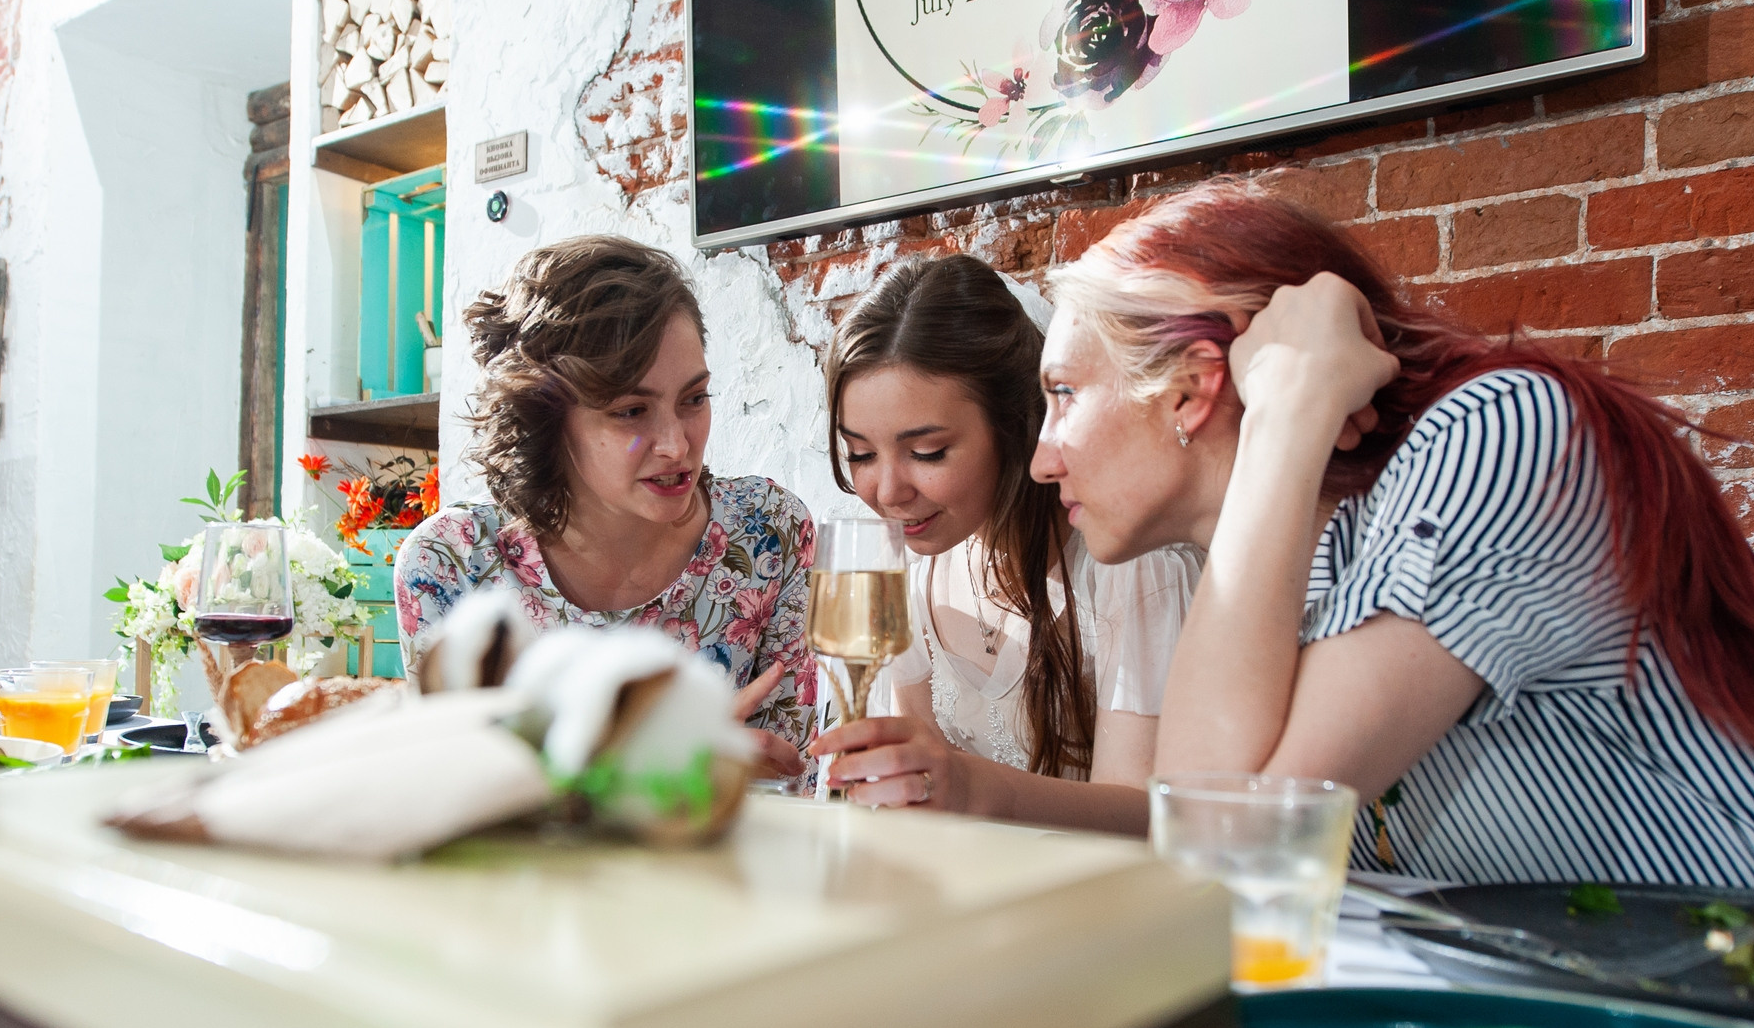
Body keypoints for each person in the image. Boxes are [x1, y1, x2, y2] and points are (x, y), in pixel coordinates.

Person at [1034, 177, 1754, 891]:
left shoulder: (1499, 436)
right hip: (1566, 1005)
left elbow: (1225, 845)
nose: (1041, 458)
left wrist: (1285, 414)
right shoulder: (1287, 565)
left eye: (1064, 392)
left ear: (1192, 388)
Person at [394, 235, 817, 782]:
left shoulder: (767, 535)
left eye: (693, 399)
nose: (675, 444)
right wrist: (653, 762)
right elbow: (451, 799)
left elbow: (786, 780)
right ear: (548, 419)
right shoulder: (451, 564)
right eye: (632, 410)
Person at [812, 254, 1201, 828]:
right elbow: (920, 809)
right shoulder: (915, 575)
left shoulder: (1135, 571)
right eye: (861, 454)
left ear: (1015, 425)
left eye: (927, 453)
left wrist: (971, 787)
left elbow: (1150, 820)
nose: (888, 490)